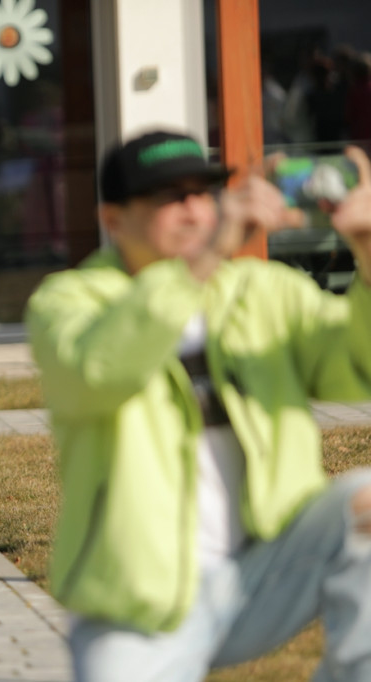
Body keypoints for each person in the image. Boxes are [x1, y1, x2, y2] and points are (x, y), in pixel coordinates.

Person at [25, 129, 371, 681]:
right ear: (112, 219)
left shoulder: (260, 290)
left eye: (201, 192)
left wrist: (368, 251)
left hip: (266, 574)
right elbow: (96, 372)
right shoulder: (69, 300)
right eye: (168, 197)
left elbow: (359, 367)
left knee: (366, 504)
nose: (192, 209)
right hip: (142, 605)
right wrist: (201, 263)